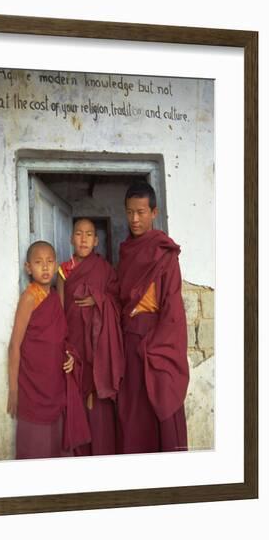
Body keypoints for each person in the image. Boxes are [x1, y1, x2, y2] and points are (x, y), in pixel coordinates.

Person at [117, 181, 189, 454]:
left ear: (154, 213)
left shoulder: (165, 254)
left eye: (141, 212)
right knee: (133, 410)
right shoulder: (126, 252)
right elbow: (120, 297)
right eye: (129, 212)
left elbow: (171, 306)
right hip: (128, 342)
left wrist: (157, 346)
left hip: (154, 342)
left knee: (160, 400)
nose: (135, 219)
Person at [7, 240, 90, 459]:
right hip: (34, 385)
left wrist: (71, 356)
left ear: (55, 266)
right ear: (28, 267)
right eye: (38, 262)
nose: (45, 267)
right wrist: (13, 389)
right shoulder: (29, 298)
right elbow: (15, 345)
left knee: (57, 440)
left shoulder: (54, 296)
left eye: (50, 262)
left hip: (55, 381)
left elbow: (61, 337)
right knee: (36, 445)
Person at [57, 219, 125, 456]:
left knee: (99, 395)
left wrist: (100, 299)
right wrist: (63, 346)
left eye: (89, 234)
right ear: (71, 238)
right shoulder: (63, 271)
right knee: (76, 393)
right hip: (74, 344)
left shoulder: (105, 269)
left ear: (96, 241)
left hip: (100, 345)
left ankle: (104, 452)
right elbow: (59, 310)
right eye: (78, 234)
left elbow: (118, 301)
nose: (83, 239)